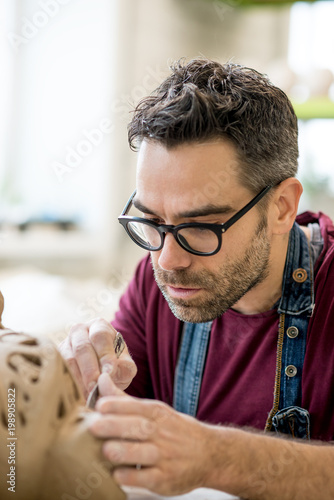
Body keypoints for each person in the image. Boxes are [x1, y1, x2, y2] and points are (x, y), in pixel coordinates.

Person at [59, 58, 334, 499]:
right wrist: (83, 379)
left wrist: (215, 456)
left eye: (200, 228)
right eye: (151, 221)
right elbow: (110, 423)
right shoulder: (159, 280)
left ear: (281, 206)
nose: (168, 260)